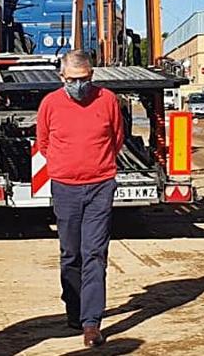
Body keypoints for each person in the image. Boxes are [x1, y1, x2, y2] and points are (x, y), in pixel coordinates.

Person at [35, 50, 126, 348]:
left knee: (95, 254)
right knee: (71, 254)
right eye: (73, 79)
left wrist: (97, 166)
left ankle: (91, 323)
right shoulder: (50, 104)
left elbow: (116, 138)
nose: (79, 85)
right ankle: (74, 310)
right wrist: (66, 167)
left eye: (84, 79)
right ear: (61, 77)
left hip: (101, 186)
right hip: (66, 188)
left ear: (92, 75)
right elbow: (44, 143)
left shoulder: (108, 100)